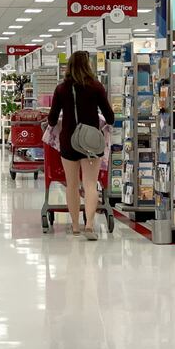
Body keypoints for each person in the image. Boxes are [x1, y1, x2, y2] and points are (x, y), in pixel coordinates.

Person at [47, 51, 114, 240]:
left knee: (72, 184)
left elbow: (52, 120)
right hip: (92, 142)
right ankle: (90, 225)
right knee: (91, 184)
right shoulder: (96, 87)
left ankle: (75, 226)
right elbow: (110, 117)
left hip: (69, 141)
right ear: (88, 65)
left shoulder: (61, 89)